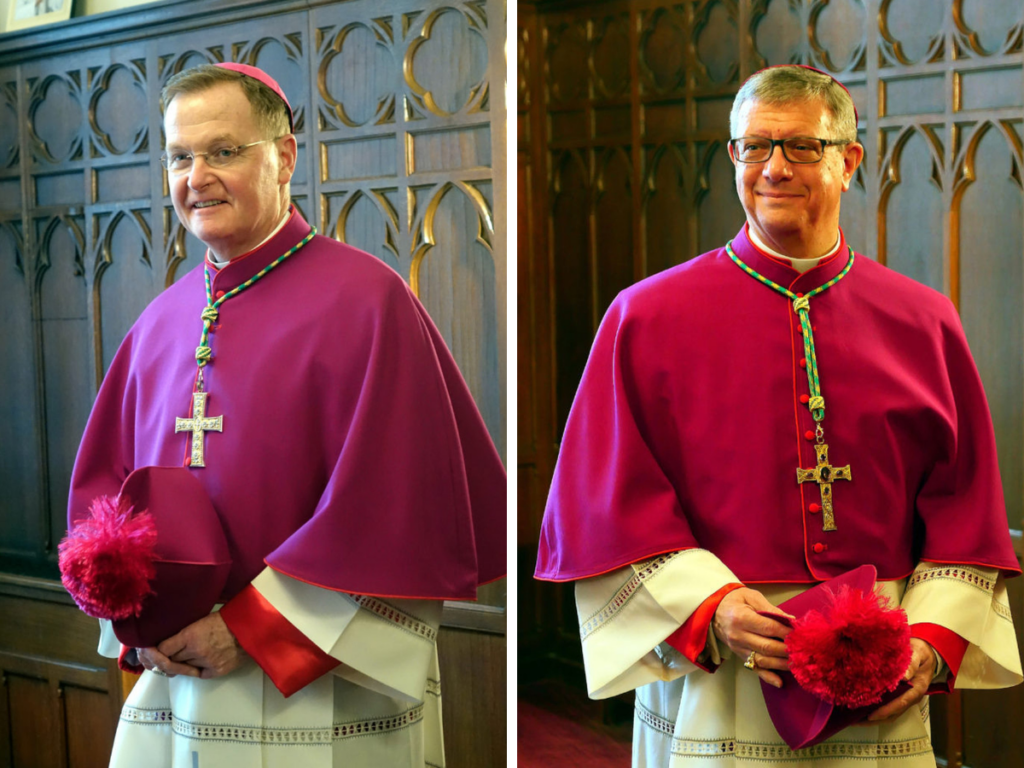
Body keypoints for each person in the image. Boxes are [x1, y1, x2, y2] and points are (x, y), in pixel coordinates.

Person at [535, 64, 1021, 767]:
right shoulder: (646, 317)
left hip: (877, 670)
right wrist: (713, 607)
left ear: (849, 160)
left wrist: (928, 641)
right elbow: (604, 504)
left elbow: (965, 507)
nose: (773, 168)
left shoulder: (924, 321)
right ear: (732, 156)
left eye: (801, 148)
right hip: (724, 669)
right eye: (753, 147)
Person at [67, 62, 505, 768]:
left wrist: (247, 627)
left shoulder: (369, 302)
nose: (197, 176)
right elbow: (104, 499)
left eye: (224, 151)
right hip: (180, 684)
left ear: (285, 155)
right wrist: (131, 618)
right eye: (180, 156)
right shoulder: (158, 322)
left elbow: (393, 512)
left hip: (323, 691)